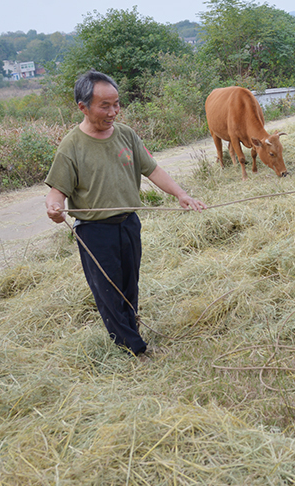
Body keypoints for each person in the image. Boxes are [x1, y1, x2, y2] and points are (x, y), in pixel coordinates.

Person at [45, 70, 206, 358]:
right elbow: (57, 190)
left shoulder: (126, 135)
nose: (113, 112)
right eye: (104, 106)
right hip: (94, 231)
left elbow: (152, 169)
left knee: (130, 284)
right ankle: (134, 349)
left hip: (129, 223)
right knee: (108, 292)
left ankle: (130, 331)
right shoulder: (71, 146)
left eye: (116, 104)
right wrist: (54, 208)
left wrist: (181, 194)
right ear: (83, 107)